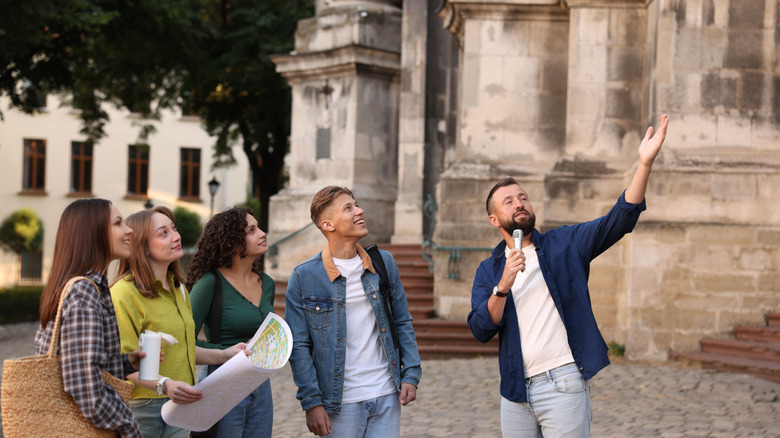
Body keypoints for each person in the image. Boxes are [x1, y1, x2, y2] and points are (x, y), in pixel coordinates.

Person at [468, 114, 669, 437]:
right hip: (515, 393)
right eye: (509, 202)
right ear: (494, 219)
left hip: (562, 384)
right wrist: (502, 286)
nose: (519, 204)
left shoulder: (565, 244)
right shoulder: (489, 270)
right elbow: (481, 328)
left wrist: (644, 163)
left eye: (523, 198)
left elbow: (619, 219)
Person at [285, 186, 422, 438]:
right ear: (328, 224)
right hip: (340, 402)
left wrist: (410, 374)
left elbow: (402, 320)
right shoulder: (304, 277)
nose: (359, 211)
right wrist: (312, 403)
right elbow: (299, 346)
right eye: (348, 208)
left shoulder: (384, 263)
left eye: (356, 204)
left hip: (386, 394)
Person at [111, 206, 246, 438]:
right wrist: (166, 385)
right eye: (163, 233)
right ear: (141, 246)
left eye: (174, 229)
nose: (176, 236)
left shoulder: (179, 288)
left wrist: (226, 355)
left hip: (180, 405)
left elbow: (183, 350)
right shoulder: (123, 293)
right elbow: (119, 365)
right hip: (142, 408)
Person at [35, 198, 143, 437]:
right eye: (118, 223)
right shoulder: (83, 292)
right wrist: (128, 425)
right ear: (91, 234)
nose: (129, 230)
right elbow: (84, 388)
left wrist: (126, 361)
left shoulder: (80, 287)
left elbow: (77, 365)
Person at [186, 206, 276, 438]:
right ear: (233, 242)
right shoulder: (209, 283)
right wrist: (225, 351)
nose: (262, 233)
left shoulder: (266, 283)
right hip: (221, 382)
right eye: (252, 230)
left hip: (260, 384)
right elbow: (184, 344)